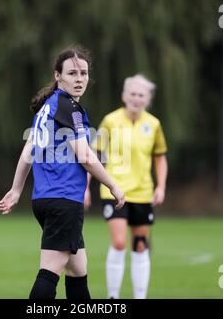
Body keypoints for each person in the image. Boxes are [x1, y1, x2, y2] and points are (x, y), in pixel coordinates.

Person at [0, 45, 125, 300]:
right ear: (58, 76)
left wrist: (17, 189)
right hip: (63, 200)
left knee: (78, 269)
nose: (79, 79)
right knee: (49, 271)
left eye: (84, 73)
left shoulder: (48, 106)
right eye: (72, 73)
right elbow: (86, 157)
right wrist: (113, 185)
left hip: (44, 200)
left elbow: (28, 152)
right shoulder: (69, 108)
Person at [85, 74, 168, 299]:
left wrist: (160, 186)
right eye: (132, 93)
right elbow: (94, 154)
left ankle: (139, 297)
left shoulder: (153, 124)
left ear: (148, 99)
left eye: (141, 94)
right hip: (114, 191)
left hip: (143, 192)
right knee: (120, 243)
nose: (136, 98)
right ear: (124, 96)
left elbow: (160, 157)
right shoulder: (110, 120)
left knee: (140, 244)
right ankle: (114, 297)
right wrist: (85, 187)